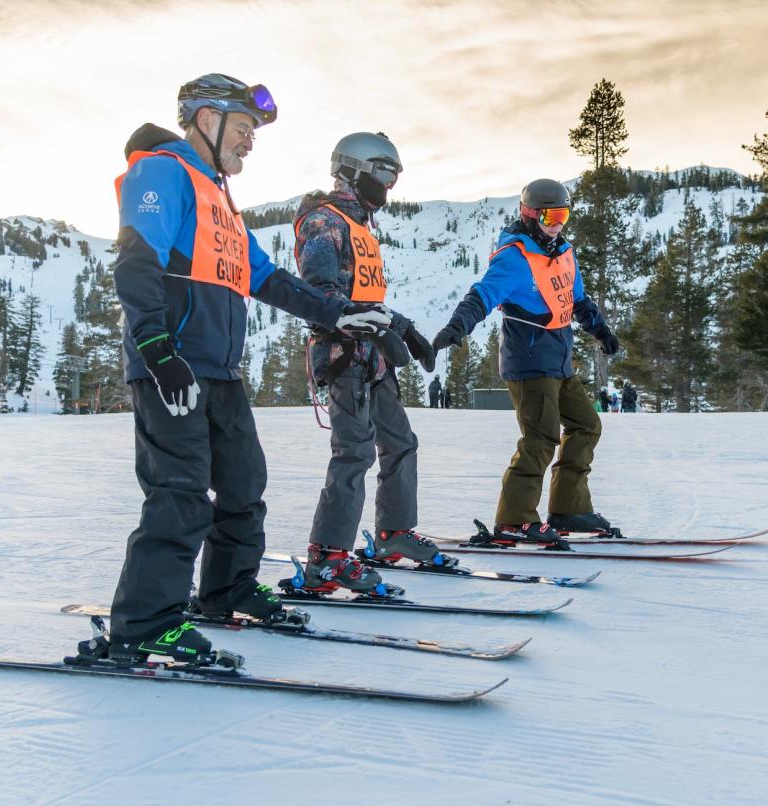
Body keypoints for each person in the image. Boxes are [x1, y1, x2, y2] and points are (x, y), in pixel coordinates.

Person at [105, 73, 394, 664]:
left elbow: (266, 278)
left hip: (218, 368)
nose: (250, 141)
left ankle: (227, 589)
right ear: (205, 120)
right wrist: (159, 351)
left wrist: (340, 315)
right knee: (180, 493)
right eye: (243, 128)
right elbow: (136, 264)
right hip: (174, 364)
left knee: (243, 485)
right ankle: (143, 623)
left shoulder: (218, 197)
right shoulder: (162, 172)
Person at [293, 131, 446, 594]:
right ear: (354, 170)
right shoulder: (324, 222)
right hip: (343, 358)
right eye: (384, 173)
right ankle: (328, 557)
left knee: (400, 442)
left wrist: (404, 329)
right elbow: (319, 293)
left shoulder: (360, 225)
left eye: (394, 175)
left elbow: (363, 296)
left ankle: (394, 534)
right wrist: (377, 324)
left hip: (372, 357)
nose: (389, 185)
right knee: (354, 451)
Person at [432, 178, 620, 544]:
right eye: (550, 216)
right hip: (529, 363)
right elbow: (482, 295)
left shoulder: (564, 252)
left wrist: (601, 331)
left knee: (586, 425)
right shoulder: (515, 258)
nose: (557, 224)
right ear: (529, 214)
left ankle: (569, 509)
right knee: (540, 438)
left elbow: (577, 300)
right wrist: (457, 326)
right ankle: (514, 519)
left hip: (559, 361)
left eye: (564, 215)